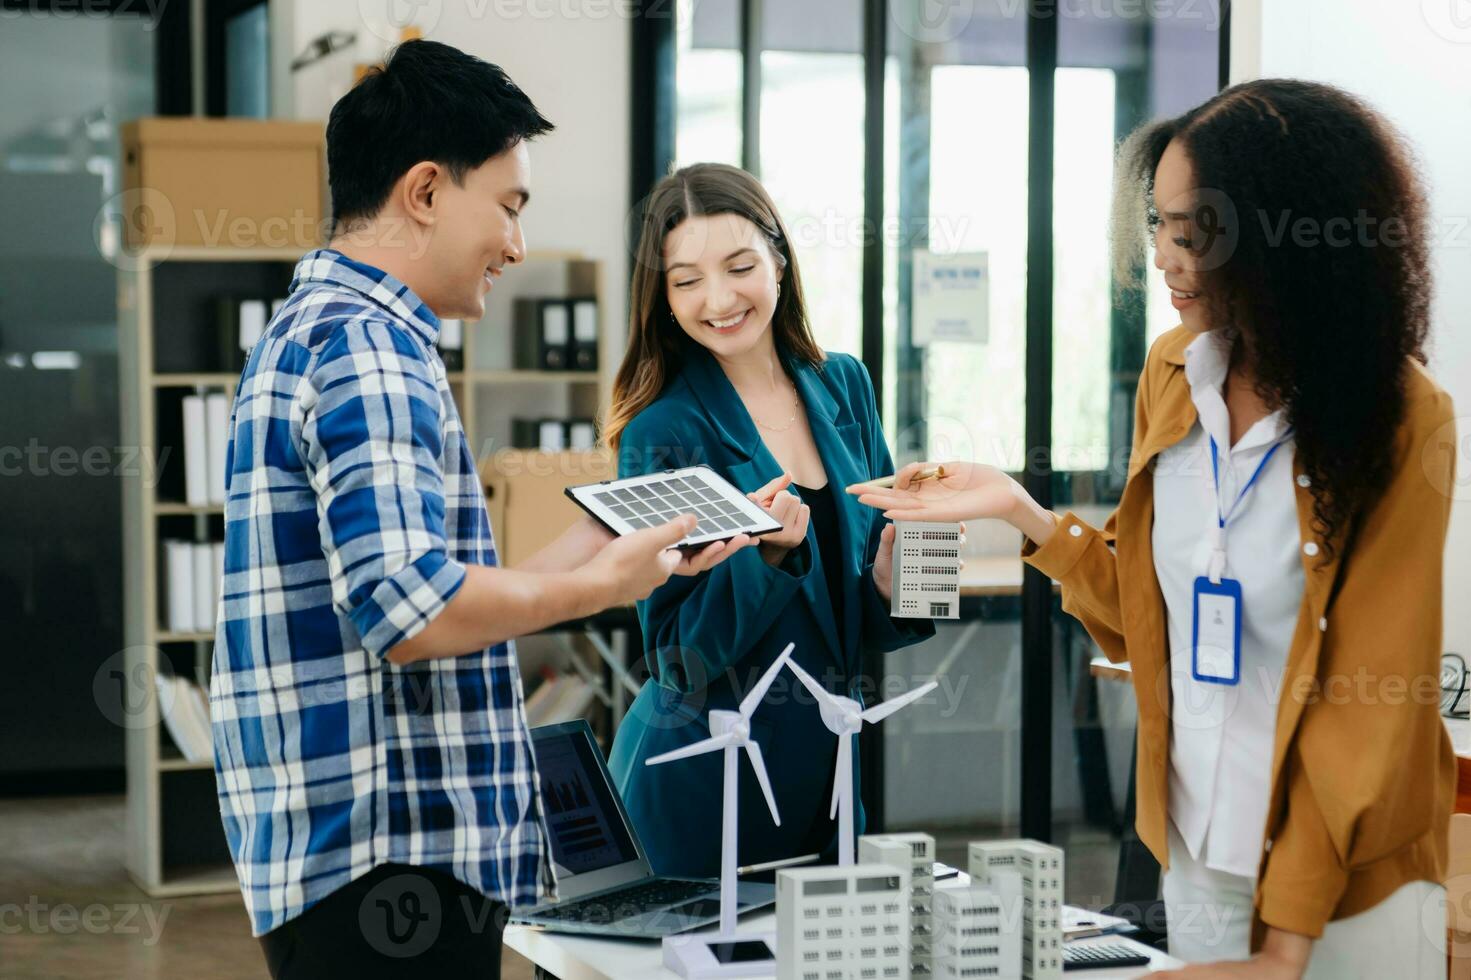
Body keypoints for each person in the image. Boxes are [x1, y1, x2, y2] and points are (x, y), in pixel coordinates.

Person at [849, 79, 1453, 978]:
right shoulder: (1172, 370)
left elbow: (1370, 704)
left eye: (1192, 230)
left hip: (1343, 885)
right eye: (1159, 226)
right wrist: (1019, 510)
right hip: (1196, 849)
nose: (1166, 257)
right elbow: (1152, 616)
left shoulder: (1402, 416)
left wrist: (1283, 945)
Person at [211, 41, 742, 978]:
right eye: (506, 206)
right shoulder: (368, 350)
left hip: (357, 865)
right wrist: (597, 591)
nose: (516, 244)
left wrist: (605, 546)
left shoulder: (313, 331)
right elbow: (410, 612)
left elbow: (428, 589)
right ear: (423, 192)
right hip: (392, 864)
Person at [603, 163, 936, 877]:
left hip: (825, 779)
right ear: (661, 297)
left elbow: (855, 630)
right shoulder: (662, 431)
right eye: (686, 279)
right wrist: (769, 560)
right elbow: (676, 657)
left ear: (779, 262)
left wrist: (896, 575)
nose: (718, 299)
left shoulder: (843, 384)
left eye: (739, 266)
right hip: (700, 783)